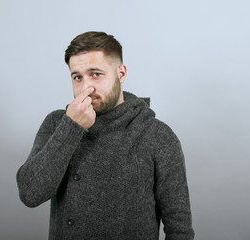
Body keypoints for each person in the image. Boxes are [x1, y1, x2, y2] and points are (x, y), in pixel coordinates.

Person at [16, 31, 194, 240]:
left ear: (121, 73)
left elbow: (179, 228)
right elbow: (30, 194)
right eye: (77, 77)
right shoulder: (58, 124)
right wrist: (72, 127)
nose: (86, 88)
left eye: (96, 74)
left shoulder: (157, 135)